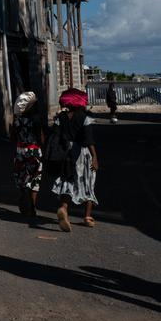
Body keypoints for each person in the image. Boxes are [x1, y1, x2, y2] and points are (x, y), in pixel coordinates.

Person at [49, 87, 99, 232]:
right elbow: (88, 140)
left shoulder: (60, 118)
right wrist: (95, 157)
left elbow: (55, 136)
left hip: (65, 152)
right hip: (82, 153)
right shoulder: (85, 118)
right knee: (88, 181)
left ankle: (64, 207)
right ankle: (87, 217)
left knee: (67, 179)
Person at [10, 92, 44, 222]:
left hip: (20, 151)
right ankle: (32, 208)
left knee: (22, 179)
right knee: (35, 180)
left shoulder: (17, 120)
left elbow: (12, 137)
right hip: (34, 151)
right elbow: (41, 138)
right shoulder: (36, 120)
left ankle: (24, 204)